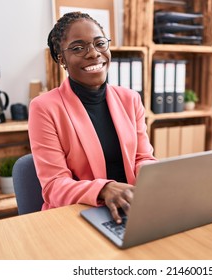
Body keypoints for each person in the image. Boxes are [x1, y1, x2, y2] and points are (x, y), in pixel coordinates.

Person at [28, 12, 157, 223]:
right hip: (76, 215)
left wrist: (158, 178)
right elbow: (54, 186)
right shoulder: (44, 108)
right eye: (79, 48)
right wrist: (104, 189)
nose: (94, 54)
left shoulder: (130, 99)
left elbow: (142, 158)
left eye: (100, 43)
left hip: (129, 208)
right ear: (62, 59)